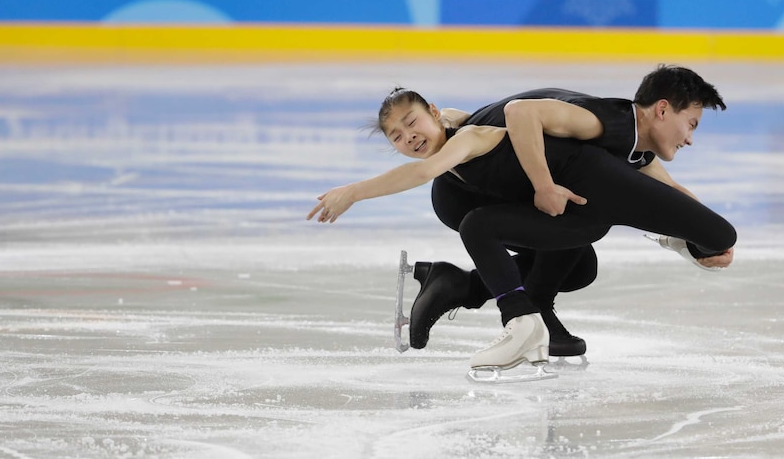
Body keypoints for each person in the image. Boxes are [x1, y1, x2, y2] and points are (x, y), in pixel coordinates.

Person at [307, 65, 736, 374]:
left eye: (411, 124)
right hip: (473, 198)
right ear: (662, 110)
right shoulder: (603, 123)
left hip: (529, 192)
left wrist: (695, 239)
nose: (408, 137)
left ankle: (461, 286)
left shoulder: (621, 133)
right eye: (396, 137)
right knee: (485, 225)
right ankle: (523, 319)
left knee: (582, 265)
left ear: (433, 112)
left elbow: (663, 189)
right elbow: (459, 142)